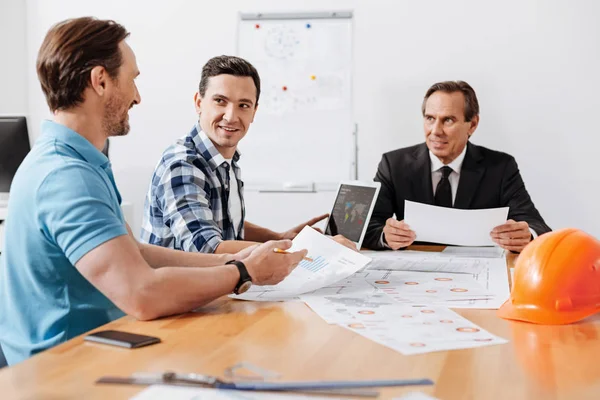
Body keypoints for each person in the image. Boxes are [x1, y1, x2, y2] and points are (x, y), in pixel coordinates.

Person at [0, 17, 306, 366]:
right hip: (66, 369)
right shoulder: (66, 176)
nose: (138, 96)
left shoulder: (79, 162)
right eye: (132, 80)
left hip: (97, 349)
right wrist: (243, 273)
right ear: (101, 81)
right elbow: (141, 293)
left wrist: (234, 261)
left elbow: (133, 251)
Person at [141, 55, 354, 254]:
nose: (231, 116)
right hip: (179, 291)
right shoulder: (183, 164)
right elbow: (207, 247)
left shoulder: (225, 159)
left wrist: (278, 237)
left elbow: (225, 225)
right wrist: (304, 249)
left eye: (243, 105)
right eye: (220, 101)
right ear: (199, 102)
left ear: (254, 112)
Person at [363, 80, 551, 253]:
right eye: (430, 118)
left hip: (478, 274)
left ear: (472, 125)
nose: (436, 131)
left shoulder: (500, 167)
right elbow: (366, 226)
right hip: (415, 274)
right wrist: (385, 236)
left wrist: (527, 236)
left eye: (448, 120)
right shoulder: (394, 164)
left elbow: (537, 226)